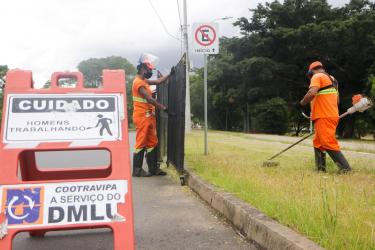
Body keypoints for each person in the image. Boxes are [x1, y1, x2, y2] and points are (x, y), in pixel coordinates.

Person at [299, 61, 351, 173]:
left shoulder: (317, 76)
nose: (311, 78)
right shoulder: (333, 79)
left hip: (324, 115)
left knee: (327, 142)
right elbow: (337, 100)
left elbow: (312, 93)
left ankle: (345, 169)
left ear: (311, 71)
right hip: (330, 114)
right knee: (318, 142)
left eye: (310, 75)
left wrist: (301, 103)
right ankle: (320, 169)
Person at [132, 53, 173, 177]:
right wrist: (163, 108)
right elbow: (149, 99)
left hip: (149, 116)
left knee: (152, 142)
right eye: (148, 69)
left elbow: (159, 81)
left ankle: (153, 169)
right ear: (141, 69)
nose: (150, 71)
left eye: (150, 69)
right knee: (141, 142)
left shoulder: (144, 81)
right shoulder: (138, 83)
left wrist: (170, 74)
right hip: (142, 117)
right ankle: (137, 170)